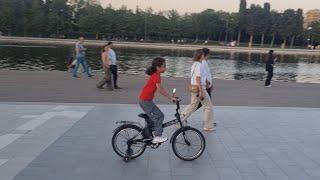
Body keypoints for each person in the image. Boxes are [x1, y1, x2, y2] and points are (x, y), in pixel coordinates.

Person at [139, 57, 177, 143]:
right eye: (164, 66)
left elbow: (160, 88)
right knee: (158, 116)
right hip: (145, 101)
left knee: (157, 117)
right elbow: (160, 90)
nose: (165, 68)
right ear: (157, 67)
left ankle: (148, 134)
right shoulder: (156, 75)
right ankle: (157, 136)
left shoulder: (157, 75)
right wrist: (170, 97)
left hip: (146, 100)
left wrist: (171, 96)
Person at [181, 49, 215, 131]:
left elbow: (201, 77)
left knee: (193, 105)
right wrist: (201, 91)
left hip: (195, 87)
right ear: (201, 56)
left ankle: (179, 120)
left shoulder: (195, 64)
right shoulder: (199, 65)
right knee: (208, 107)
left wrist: (207, 82)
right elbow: (198, 78)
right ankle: (208, 126)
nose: (205, 55)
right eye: (203, 54)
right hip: (199, 88)